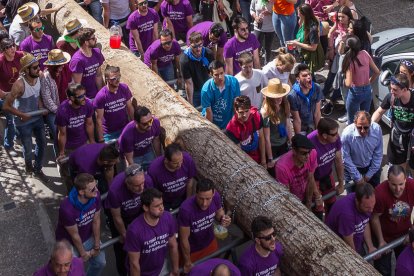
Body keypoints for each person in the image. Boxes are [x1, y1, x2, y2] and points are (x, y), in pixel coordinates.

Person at [3, 53, 47, 178]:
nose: (39, 69)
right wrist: (22, 114)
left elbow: (37, 95)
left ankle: (38, 169)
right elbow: (6, 106)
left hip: (37, 118)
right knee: (28, 149)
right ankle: (29, 167)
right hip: (23, 122)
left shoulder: (39, 76)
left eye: (38, 66)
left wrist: (40, 105)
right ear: (26, 70)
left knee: (42, 144)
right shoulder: (19, 84)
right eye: (35, 67)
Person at [104, 164, 154, 276]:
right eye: (137, 186)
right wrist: (124, 234)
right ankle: (123, 273)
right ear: (127, 183)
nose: (141, 188)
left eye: (142, 183)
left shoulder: (148, 181)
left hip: (139, 212)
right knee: (122, 248)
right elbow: (116, 216)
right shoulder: (115, 190)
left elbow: (150, 202)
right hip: (121, 217)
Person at [55, 173, 106, 276]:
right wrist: (83, 254)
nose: (96, 190)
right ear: (82, 192)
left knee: (100, 263)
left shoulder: (95, 196)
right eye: (92, 189)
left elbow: (96, 221)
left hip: (87, 236)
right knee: (71, 272)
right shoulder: (67, 209)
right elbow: (74, 235)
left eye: (95, 185)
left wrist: (96, 244)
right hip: (69, 243)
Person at [178, 178, 231, 273]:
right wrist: (187, 261)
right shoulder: (186, 209)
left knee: (214, 270)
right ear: (196, 193)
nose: (204, 203)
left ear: (213, 193)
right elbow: (184, 239)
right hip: (192, 250)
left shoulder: (216, 197)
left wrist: (223, 218)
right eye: (201, 198)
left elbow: (219, 211)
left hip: (210, 243)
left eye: (208, 199)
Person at [124, 188, 180, 276]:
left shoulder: (168, 217)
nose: (161, 208)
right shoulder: (134, 230)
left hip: (162, 268)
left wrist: (175, 269)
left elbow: (173, 245)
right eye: (157, 206)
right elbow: (134, 264)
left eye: (162, 204)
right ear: (145, 207)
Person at [370, 165, 414, 276]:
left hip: (405, 234)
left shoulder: (412, 186)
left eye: (401, 184)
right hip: (384, 236)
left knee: (405, 265)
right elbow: (374, 218)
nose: (398, 189)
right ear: (388, 181)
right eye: (393, 185)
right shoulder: (380, 193)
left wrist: (412, 232)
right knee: (383, 271)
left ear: (406, 180)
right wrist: (380, 241)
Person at [372, 73, 414, 170]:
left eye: (395, 90)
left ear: (404, 89)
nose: (392, 91)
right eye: (391, 88)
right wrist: (371, 127)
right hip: (397, 138)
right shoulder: (391, 97)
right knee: (398, 168)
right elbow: (379, 112)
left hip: (412, 137)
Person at [307, 117, 344, 219]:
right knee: (318, 208)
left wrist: (341, 183)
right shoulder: (310, 144)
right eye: (334, 134)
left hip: (327, 174)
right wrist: (316, 193)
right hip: (314, 179)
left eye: (337, 133)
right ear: (324, 135)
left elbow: (338, 160)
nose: (337, 136)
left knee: (332, 203)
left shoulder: (335, 138)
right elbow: (309, 174)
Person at [326, 182, 376, 256]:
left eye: (373, 206)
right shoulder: (346, 214)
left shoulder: (367, 203)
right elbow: (348, 241)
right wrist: (356, 258)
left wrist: (370, 246)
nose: (371, 210)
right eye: (367, 208)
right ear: (357, 201)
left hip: (356, 240)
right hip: (339, 247)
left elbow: (365, 223)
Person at [40, 49, 72, 158]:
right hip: (54, 111)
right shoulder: (46, 77)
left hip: (66, 107)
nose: (63, 66)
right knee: (57, 134)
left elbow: (70, 84)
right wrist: (59, 112)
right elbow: (47, 99)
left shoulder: (65, 70)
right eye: (60, 64)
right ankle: (59, 156)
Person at [147, 142, 197, 210]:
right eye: (175, 163)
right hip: (165, 201)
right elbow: (154, 192)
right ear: (166, 160)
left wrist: (187, 200)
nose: (179, 165)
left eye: (181, 161)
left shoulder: (187, 159)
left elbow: (190, 180)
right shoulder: (154, 169)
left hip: (182, 197)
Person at [342, 35, 379, 124]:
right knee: (364, 119)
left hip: (355, 92)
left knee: (352, 120)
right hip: (367, 90)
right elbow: (377, 72)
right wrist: (369, 82)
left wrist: (344, 81)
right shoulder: (365, 53)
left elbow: (348, 83)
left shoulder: (349, 59)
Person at [275, 134, 319, 209]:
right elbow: (286, 195)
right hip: (292, 198)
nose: (308, 156)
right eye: (304, 153)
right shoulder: (282, 167)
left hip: (305, 193)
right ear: (294, 151)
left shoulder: (313, 153)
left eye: (309, 151)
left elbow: (310, 178)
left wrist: (308, 202)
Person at [341, 111, 383, 190]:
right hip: (352, 169)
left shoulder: (377, 130)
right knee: (352, 198)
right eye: (359, 127)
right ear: (354, 123)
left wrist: (369, 174)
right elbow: (345, 157)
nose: (363, 131)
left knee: (375, 194)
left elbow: (378, 153)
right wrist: (357, 177)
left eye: (366, 127)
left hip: (372, 167)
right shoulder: (347, 134)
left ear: (370, 123)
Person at [56, 83, 95, 164]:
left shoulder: (88, 104)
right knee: (67, 171)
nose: (84, 98)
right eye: (81, 96)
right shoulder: (62, 111)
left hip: (83, 143)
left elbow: (89, 124)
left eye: (84, 94)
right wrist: (62, 152)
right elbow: (62, 134)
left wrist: (91, 141)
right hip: (68, 147)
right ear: (72, 98)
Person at [94, 65, 134, 142]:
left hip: (124, 128)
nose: (117, 80)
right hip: (109, 133)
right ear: (107, 79)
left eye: (119, 77)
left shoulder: (124, 88)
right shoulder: (101, 96)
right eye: (114, 79)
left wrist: (134, 124)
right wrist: (101, 139)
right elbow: (98, 120)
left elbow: (130, 108)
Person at [260, 78, 292, 174]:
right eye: (276, 96)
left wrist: (290, 141)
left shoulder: (285, 104)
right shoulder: (265, 112)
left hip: (283, 142)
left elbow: (288, 124)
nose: (279, 99)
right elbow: (266, 138)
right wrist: (270, 158)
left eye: (281, 96)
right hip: (273, 146)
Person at [225, 95, 266, 166]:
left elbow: (261, 138)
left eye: (247, 111)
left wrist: (263, 161)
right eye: (241, 112)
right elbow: (239, 153)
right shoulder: (231, 128)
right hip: (245, 162)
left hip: (258, 155)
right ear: (235, 110)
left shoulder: (257, 116)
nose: (245, 115)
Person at [0, 38, 24, 157]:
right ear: (3, 50)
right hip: (5, 95)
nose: (13, 48)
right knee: (11, 120)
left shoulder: (19, 55)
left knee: (20, 116)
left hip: (18, 92)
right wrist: (2, 93)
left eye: (13, 45)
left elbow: (30, 59)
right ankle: (8, 145)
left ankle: (18, 136)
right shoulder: (0, 61)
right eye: (9, 47)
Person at [201, 60, 241, 130]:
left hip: (229, 122)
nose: (220, 77)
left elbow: (236, 105)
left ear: (224, 71)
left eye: (221, 73)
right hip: (213, 122)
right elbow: (209, 112)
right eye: (216, 75)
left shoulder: (234, 82)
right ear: (211, 74)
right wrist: (211, 130)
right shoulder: (206, 89)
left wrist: (236, 125)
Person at [180, 31, 214, 107]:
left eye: (200, 45)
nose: (198, 49)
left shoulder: (208, 53)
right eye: (195, 47)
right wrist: (190, 103)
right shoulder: (185, 60)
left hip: (207, 86)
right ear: (189, 45)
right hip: (194, 90)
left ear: (203, 42)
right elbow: (189, 83)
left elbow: (213, 74)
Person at [69, 27, 105, 99]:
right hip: (85, 99)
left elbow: (98, 75)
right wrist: (85, 100)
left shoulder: (97, 52)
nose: (96, 39)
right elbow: (77, 85)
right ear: (86, 42)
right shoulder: (77, 60)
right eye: (93, 38)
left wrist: (100, 94)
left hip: (96, 95)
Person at [288, 3, 324, 74]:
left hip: (310, 57)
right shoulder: (302, 22)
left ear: (303, 14)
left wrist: (296, 43)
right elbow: (302, 36)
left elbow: (313, 47)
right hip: (303, 54)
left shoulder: (312, 28)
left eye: (298, 12)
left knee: (308, 75)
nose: (297, 14)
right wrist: (294, 41)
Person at [288, 63, 322, 135]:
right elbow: (297, 120)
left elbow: (317, 113)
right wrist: (298, 138)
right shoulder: (292, 96)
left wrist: (318, 132)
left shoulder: (317, 88)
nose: (309, 77)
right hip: (301, 127)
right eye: (304, 75)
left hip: (312, 124)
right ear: (298, 79)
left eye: (309, 74)